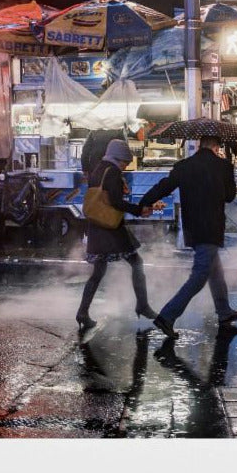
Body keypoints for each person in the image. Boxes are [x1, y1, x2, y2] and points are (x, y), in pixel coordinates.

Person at [137, 135, 237, 339]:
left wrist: (145, 202)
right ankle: (166, 317)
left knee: (215, 271)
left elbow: (164, 186)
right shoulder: (223, 166)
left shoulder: (185, 166)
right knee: (200, 275)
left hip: (193, 227)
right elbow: (230, 197)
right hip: (212, 227)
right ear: (216, 146)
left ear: (200, 145)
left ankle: (224, 312)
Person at [75, 139, 158, 331]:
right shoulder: (111, 172)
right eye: (124, 161)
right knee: (136, 263)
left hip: (97, 226)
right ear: (117, 157)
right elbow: (114, 201)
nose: (126, 165)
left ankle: (82, 312)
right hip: (111, 228)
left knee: (98, 272)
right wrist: (139, 209)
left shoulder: (99, 168)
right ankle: (143, 305)